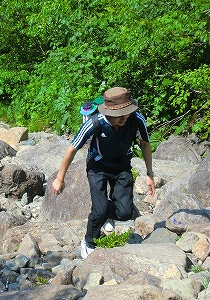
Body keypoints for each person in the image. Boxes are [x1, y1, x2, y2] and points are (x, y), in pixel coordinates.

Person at [52, 87, 155, 259]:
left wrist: (150, 174)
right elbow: (72, 149)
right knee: (98, 210)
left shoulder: (136, 119)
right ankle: (89, 241)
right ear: (108, 112)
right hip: (97, 168)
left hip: (122, 166)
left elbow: (144, 143)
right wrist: (59, 178)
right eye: (120, 115)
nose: (124, 117)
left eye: (126, 113)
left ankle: (108, 214)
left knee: (124, 213)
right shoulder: (94, 122)